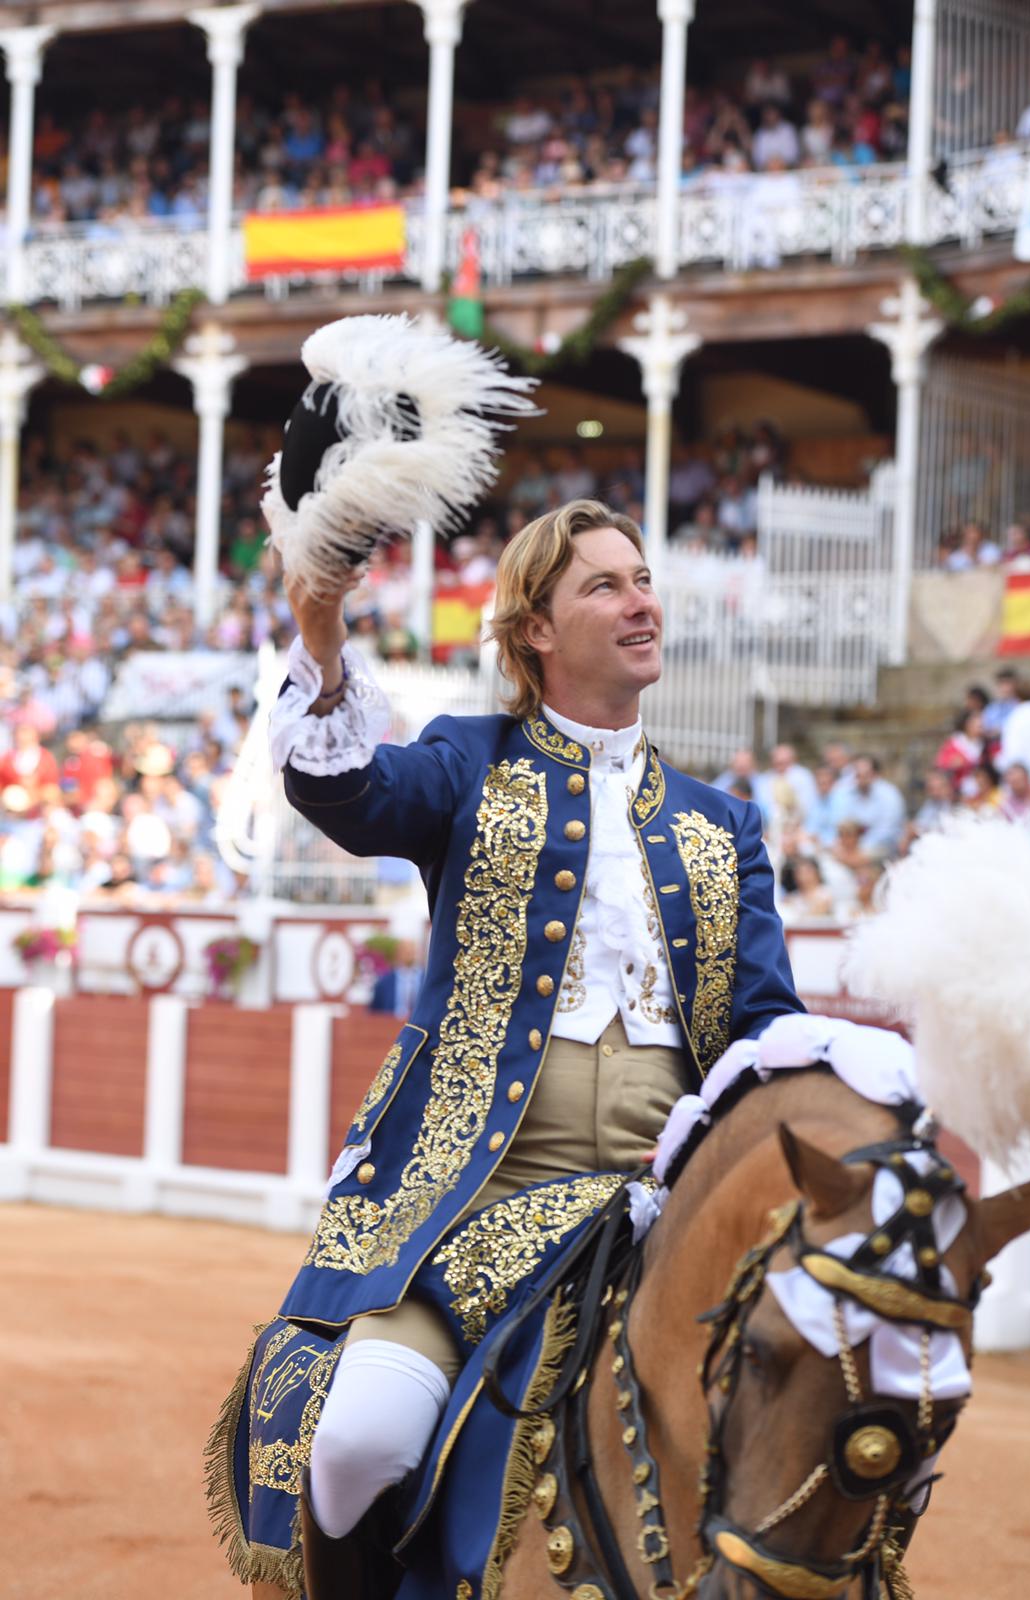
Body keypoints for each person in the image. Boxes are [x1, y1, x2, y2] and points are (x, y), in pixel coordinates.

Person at [272, 496, 803, 1596]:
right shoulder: (467, 763)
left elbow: (763, 1026)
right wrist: (320, 632)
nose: (640, 601)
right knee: (358, 1439)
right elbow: (344, 792)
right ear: (536, 633)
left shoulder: (722, 825)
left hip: (660, 1199)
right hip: (468, 1188)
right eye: (603, 585)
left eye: (642, 578)